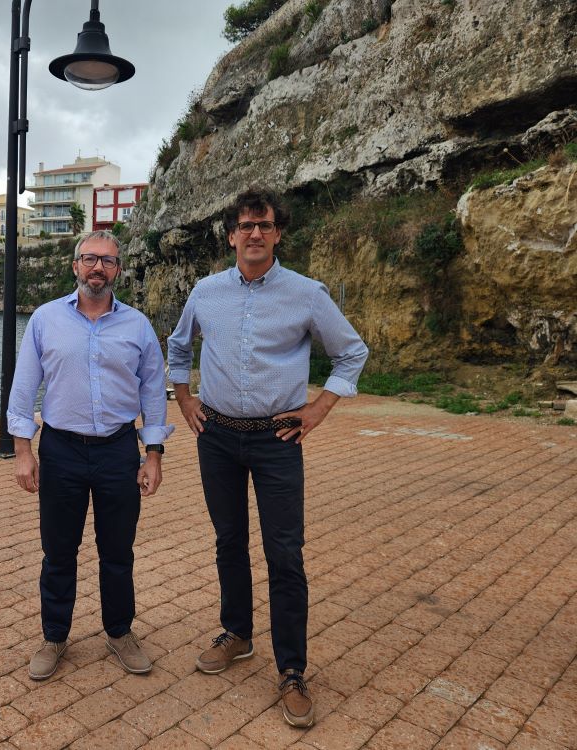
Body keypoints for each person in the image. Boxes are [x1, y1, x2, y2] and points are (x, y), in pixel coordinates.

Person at [167, 188, 368, 728]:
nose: (254, 233)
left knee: (284, 552)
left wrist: (319, 409)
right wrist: (184, 398)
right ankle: (237, 634)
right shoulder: (205, 292)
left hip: (278, 439)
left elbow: (352, 351)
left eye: (265, 224)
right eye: (245, 224)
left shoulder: (306, 294)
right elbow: (178, 346)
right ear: (231, 233)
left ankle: (292, 670)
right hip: (217, 437)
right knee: (228, 539)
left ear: (279, 233)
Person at [8, 230, 173, 681]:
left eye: (108, 261)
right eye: (90, 259)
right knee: (58, 551)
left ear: (118, 270)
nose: (98, 267)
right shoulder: (45, 320)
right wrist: (24, 451)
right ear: (75, 266)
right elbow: (24, 388)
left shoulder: (137, 326)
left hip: (119, 451)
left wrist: (152, 454)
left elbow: (154, 394)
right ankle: (54, 636)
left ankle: (119, 632)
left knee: (117, 550)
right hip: (60, 449)